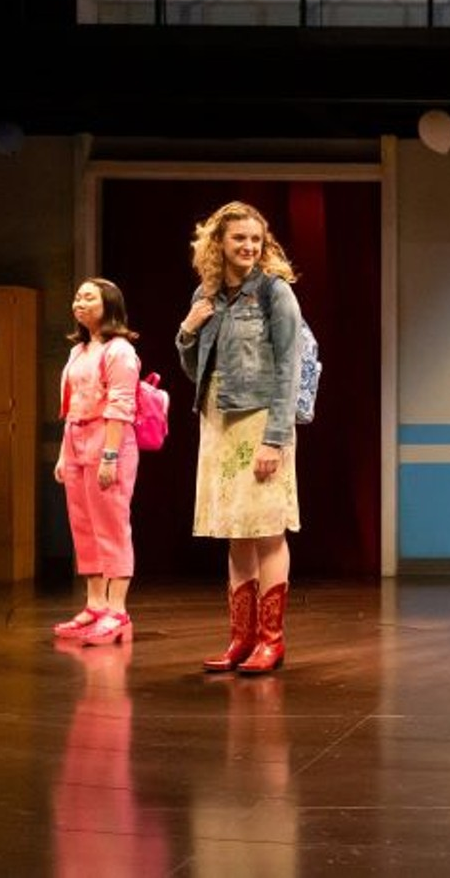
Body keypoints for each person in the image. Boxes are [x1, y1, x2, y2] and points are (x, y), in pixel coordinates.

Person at [177, 201, 305, 675]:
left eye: (255, 239)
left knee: (267, 529)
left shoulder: (274, 293)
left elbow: (290, 369)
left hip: (260, 421)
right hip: (218, 421)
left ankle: (271, 641)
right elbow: (196, 370)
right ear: (219, 242)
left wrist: (275, 438)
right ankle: (241, 639)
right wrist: (187, 331)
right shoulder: (206, 294)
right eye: (239, 238)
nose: (249, 246)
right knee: (236, 531)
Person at [52, 278, 143, 646]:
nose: (79, 303)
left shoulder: (119, 351)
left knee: (111, 524)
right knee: (84, 525)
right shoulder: (79, 350)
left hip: (109, 439)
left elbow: (121, 405)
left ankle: (117, 611)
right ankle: (95, 605)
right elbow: (70, 405)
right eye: (77, 297)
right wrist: (64, 454)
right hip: (76, 439)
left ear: (109, 306)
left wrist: (109, 456)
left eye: (89, 298)